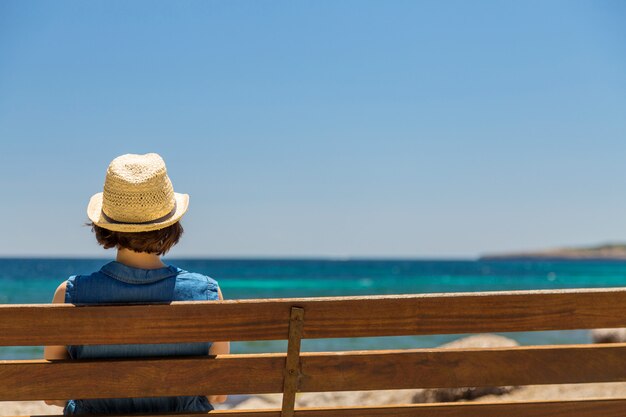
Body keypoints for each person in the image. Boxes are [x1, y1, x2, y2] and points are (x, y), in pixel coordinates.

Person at [44, 153, 229, 414]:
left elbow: (53, 393)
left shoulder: (69, 294)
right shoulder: (207, 293)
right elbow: (218, 394)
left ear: (104, 225)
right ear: (171, 224)